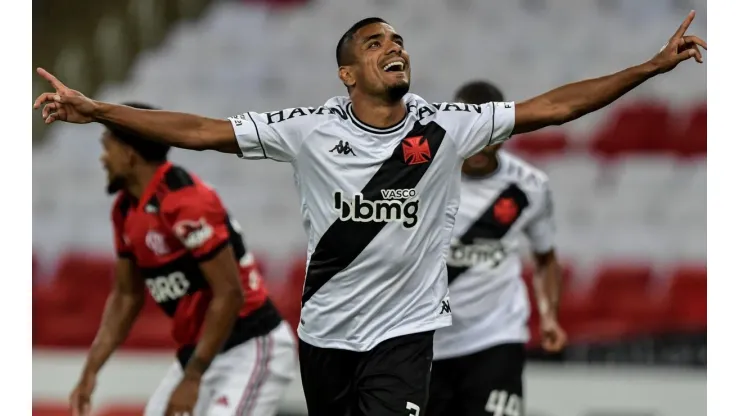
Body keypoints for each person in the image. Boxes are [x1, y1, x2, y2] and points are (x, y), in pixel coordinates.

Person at [35, 12, 705, 416]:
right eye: (376, 43)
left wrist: (648, 67)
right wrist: (96, 108)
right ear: (348, 75)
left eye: (400, 40)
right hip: (327, 338)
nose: (395, 47)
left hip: (405, 336)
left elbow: (554, 107)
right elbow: (205, 129)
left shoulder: (447, 125)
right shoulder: (307, 128)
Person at [67, 103, 297, 416]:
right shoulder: (125, 210)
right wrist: (91, 370)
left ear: (129, 153)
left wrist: (192, 378)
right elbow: (126, 296)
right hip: (200, 351)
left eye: (107, 148)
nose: (103, 159)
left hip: (251, 345)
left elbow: (229, 294)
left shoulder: (185, 202)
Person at [428, 81, 567, 416]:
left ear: (503, 132)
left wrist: (549, 316)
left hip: (496, 338)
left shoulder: (529, 187)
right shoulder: (424, 178)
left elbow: (545, 258)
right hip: (425, 341)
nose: (477, 145)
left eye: (486, 135)